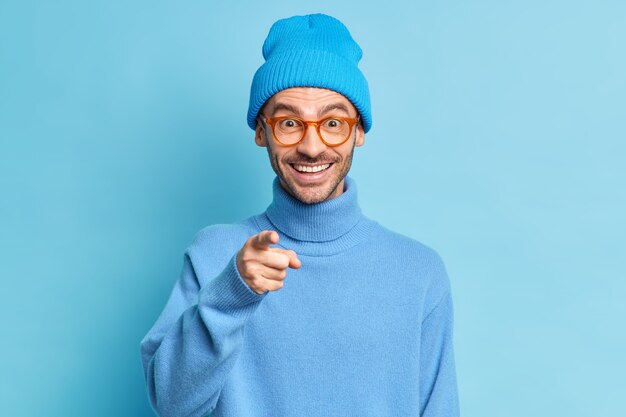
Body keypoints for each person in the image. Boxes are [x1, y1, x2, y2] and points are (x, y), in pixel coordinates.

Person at [140, 13, 460, 417]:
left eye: (333, 122)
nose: (311, 146)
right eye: (289, 122)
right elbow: (171, 404)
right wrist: (231, 294)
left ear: (359, 131)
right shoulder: (215, 254)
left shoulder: (419, 271)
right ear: (262, 131)